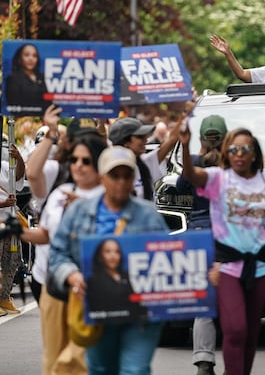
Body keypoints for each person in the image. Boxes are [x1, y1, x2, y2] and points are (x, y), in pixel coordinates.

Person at [180, 126, 265, 375]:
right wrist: (186, 149)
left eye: (245, 149)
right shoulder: (218, 179)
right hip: (227, 266)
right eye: (233, 149)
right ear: (226, 153)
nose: (239, 154)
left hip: (261, 267)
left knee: (251, 332)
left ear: (254, 153)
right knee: (236, 329)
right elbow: (190, 175)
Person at [48, 146, 170, 375]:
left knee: (135, 370)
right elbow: (58, 252)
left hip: (141, 314)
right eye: (115, 176)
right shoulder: (79, 212)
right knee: (101, 370)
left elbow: (171, 258)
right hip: (98, 311)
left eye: (127, 175)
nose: (122, 182)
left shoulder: (150, 216)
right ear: (102, 178)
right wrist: (72, 275)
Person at [22, 134, 106, 375]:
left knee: (85, 358)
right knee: (55, 358)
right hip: (56, 285)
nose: (78, 165)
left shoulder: (111, 195)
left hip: (96, 289)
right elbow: (48, 236)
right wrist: (18, 232)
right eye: (74, 159)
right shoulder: (60, 193)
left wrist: (84, 209)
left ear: (99, 164)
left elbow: (116, 238)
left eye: (86, 161)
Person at [175, 114, 227, 375]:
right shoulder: (235, 164)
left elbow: (182, 184)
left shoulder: (195, 164)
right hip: (230, 238)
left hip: (199, 237)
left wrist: (186, 149)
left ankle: (204, 360)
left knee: (205, 303)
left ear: (202, 138)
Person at [108, 116, 180, 200]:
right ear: (126, 142)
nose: (146, 140)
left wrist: (187, 113)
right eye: (140, 137)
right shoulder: (108, 170)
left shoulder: (145, 163)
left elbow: (172, 139)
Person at [86, 238, 146, 321]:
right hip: (109, 327)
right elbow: (98, 312)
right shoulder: (94, 280)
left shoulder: (126, 275)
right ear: (100, 255)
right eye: (108, 251)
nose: (113, 256)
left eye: (117, 252)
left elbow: (137, 302)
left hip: (135, 323)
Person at [0, 144, 25, 315]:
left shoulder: (4, 166)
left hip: (9, 221)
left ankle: (4, 297)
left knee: (13, 259)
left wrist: (19, 158)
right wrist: (2, 203)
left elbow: (19, 176)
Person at [5, 43, 51, 112]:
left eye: (34, 56)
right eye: (27, 55)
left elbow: (47, 100)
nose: (31, 59)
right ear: (19, 58)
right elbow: (13, 105)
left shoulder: (41, 77)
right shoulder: (13, 79)